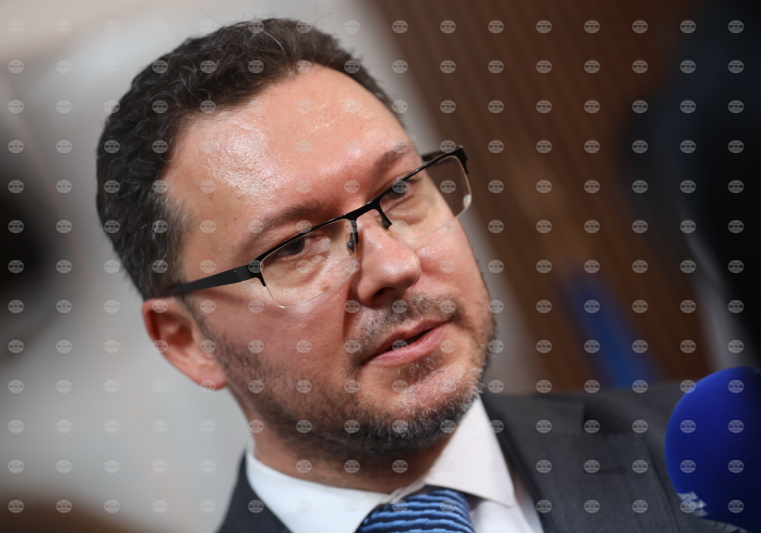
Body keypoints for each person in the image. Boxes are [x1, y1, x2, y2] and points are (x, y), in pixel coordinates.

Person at [95, 18, 715, 533]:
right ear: (187, 339)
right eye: (295, 245)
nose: (394, 266)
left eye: (398, 190)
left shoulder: (716, 462)